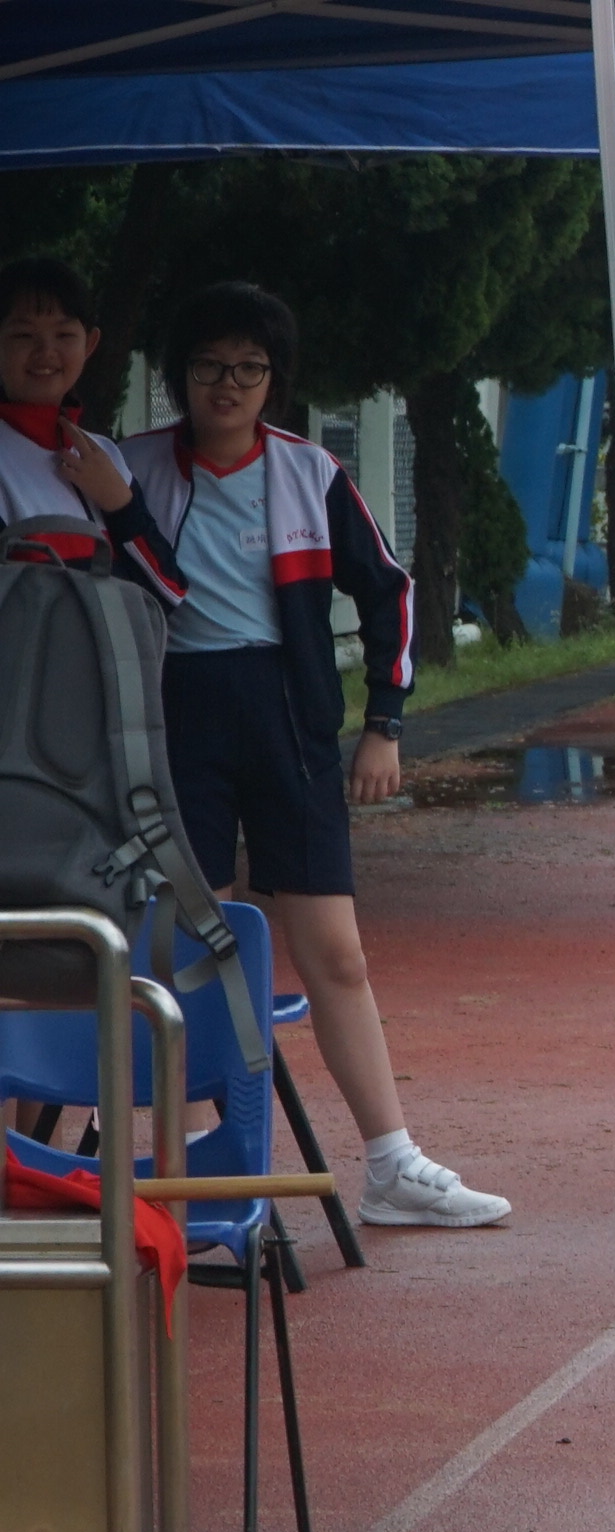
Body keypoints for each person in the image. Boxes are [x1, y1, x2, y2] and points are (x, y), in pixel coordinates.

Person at [121, 281, 509, 1227]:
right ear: (178, 376)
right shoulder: (129, 472)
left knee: (335, 951)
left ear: (275, 382)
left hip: (288, 719)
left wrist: (385, 723)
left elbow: (389, 593)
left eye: (249, 369)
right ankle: (194, 1162)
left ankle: (392, 1164)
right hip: (175, 724)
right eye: (209, 366)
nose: (227, 385)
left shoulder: (309, 473)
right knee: (189, 948)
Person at [0, 258, 180, 595]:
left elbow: (168, 591)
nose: (46, 351)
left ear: (90, 345)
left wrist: (121, 505)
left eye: (64, 334)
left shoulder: (106, 455)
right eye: (24, 335)